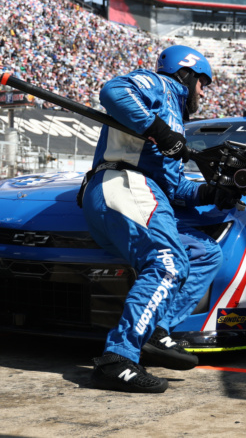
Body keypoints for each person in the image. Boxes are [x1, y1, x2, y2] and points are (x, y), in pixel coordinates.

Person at [80, 45, 230, 393]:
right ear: (186, 74)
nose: (202, 92)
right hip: (123, 183)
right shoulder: (163, 85)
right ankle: (117, 359)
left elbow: (175, 187)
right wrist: (158, 129)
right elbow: (113, 91)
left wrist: (209, 194)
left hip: (142, 193)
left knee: (205, 253)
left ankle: (153, 330)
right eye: (202, 83)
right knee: (168, 262)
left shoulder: (175, 117)